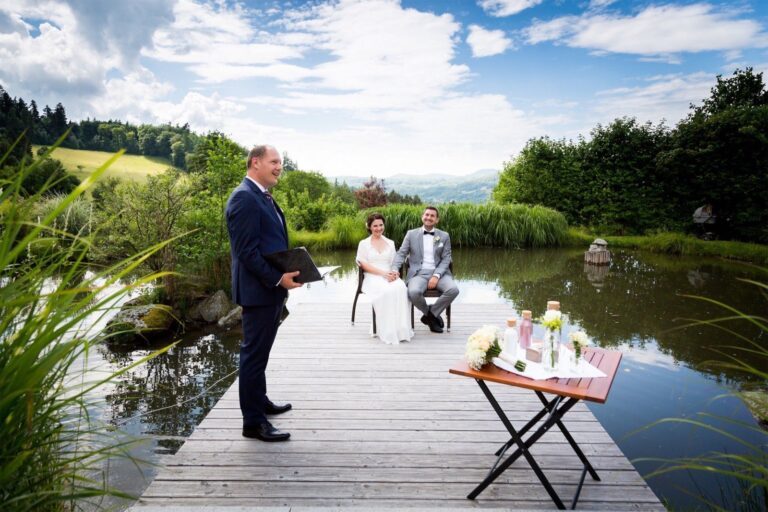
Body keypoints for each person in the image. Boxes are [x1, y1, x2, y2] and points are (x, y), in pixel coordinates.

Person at [225, 144, 302, 442]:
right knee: (253, 356)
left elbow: (269, 243)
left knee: (261, 354)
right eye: (274, 161)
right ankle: (253, 423)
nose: (280, 167)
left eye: (281, 162)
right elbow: (246, 252)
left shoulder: (262, 195)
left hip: (269, 291)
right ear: (255, 162)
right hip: (258, 292)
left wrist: (291, 270)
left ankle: (260, 402)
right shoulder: (244, 198)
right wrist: (278, 279)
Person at [392, 206, 459, 333]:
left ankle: (429, 317)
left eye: (432, 216)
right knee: (413, 292)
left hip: (440, 273)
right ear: (422, 216)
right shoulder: (411, 234)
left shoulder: (444, 236)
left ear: (437, 220)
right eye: (427, 215)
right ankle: (432, 315)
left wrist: (436, 275)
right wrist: (395, 269)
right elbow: (401, 253)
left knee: (453, 290)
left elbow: (446, 258)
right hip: (418, 273)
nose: (429, 217)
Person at [355, 213, 414, 345]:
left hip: (389, 274)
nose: (378, 228)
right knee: (386, 291)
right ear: (369, 227)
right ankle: (386, 330)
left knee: (401, 288)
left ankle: (401, 330)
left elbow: (394, 262)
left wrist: (395, 273)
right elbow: (363, 264)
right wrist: (383, 274)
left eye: (381, 225)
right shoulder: (363, 244)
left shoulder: (390, 243)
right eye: (375, 226)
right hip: (372, 276)